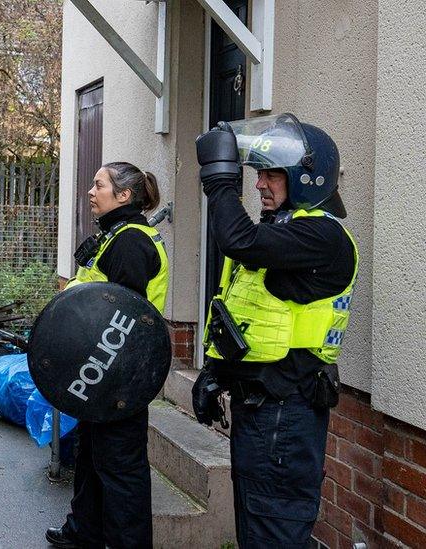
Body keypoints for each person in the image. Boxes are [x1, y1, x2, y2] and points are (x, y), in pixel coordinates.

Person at [193, 113, 358, 548]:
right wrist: (215, 373)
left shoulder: (322, 236)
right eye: (258, 173)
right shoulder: (283, 231)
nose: (261, 184)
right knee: (255, 528)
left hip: (287, 414)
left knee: (274, 532)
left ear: (307, 178)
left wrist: (220, 181)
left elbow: (238, 240)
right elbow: (244, 313)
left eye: (272, 174)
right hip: (262, 410)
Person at [47, 162, 169, 549]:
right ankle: (83, 531)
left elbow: (122, 321)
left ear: (124, 196)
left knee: (121, 468)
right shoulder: (116, 235)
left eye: (98, 185)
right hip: (100, 375)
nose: (90, 191)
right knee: (92, 457)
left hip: (117, 378)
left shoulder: (131, 242)